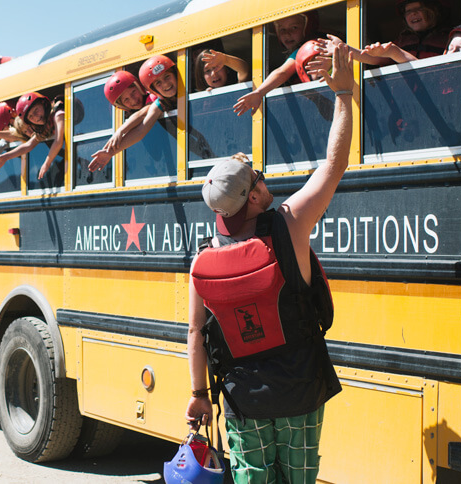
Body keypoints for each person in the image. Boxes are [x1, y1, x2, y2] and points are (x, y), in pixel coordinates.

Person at [185, 43, 354, 482]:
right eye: (257, 180)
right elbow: (333, 166)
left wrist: (198, 394)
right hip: (300, 387)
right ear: (254, 196)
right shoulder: (289, 226)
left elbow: (195, 333)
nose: (263, 182)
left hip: (244, 397)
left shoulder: (203, 257)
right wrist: (344, 95)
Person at [88, 55, 178, 172]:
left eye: (133, 92)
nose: (133, 100)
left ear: (140, 87)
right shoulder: (159, 101)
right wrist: (110, 152)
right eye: (126, 100)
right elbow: (140, 131)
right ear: (122, 107)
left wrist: (121, 131)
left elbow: (144, 112)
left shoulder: (156, 97)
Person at [233, 11, 319, 116]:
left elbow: (282, 72)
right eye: (282, 29)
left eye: (294, 28)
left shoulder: (307, 49)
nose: (287, 34)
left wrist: (259, 92)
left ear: (307, 28)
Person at [0, 91, 65, 179]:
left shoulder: (58, 114)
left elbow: (58, 141)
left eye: (36, 110)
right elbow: (28, 145)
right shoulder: (43, 128)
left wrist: (47, 163)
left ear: (43, 103)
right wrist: (5, 157)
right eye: (31, 117)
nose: (36, 117)